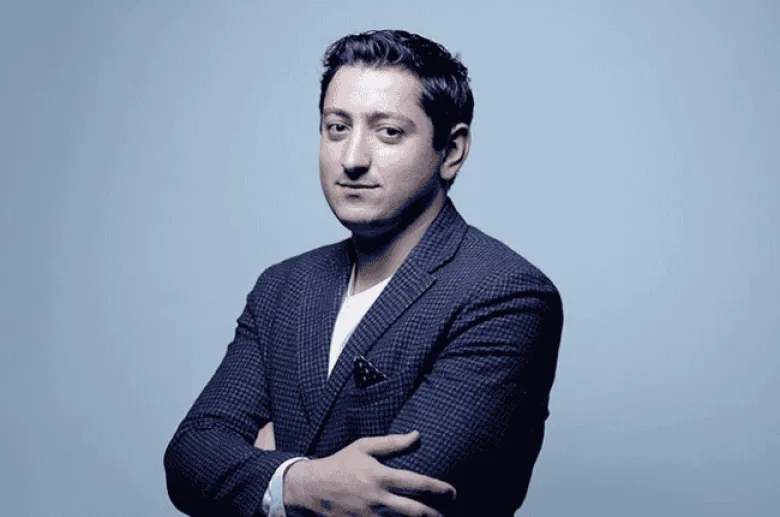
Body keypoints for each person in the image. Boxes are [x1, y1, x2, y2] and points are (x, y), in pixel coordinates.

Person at [164, 29, 563, 517]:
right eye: (336, 128)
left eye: (388, 132)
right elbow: (188, 459)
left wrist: (266, 465)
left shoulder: (504, 295)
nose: (352, 159)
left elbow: (395, 504)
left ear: (452, 150)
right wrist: (301, 482)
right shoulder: (282, 288)